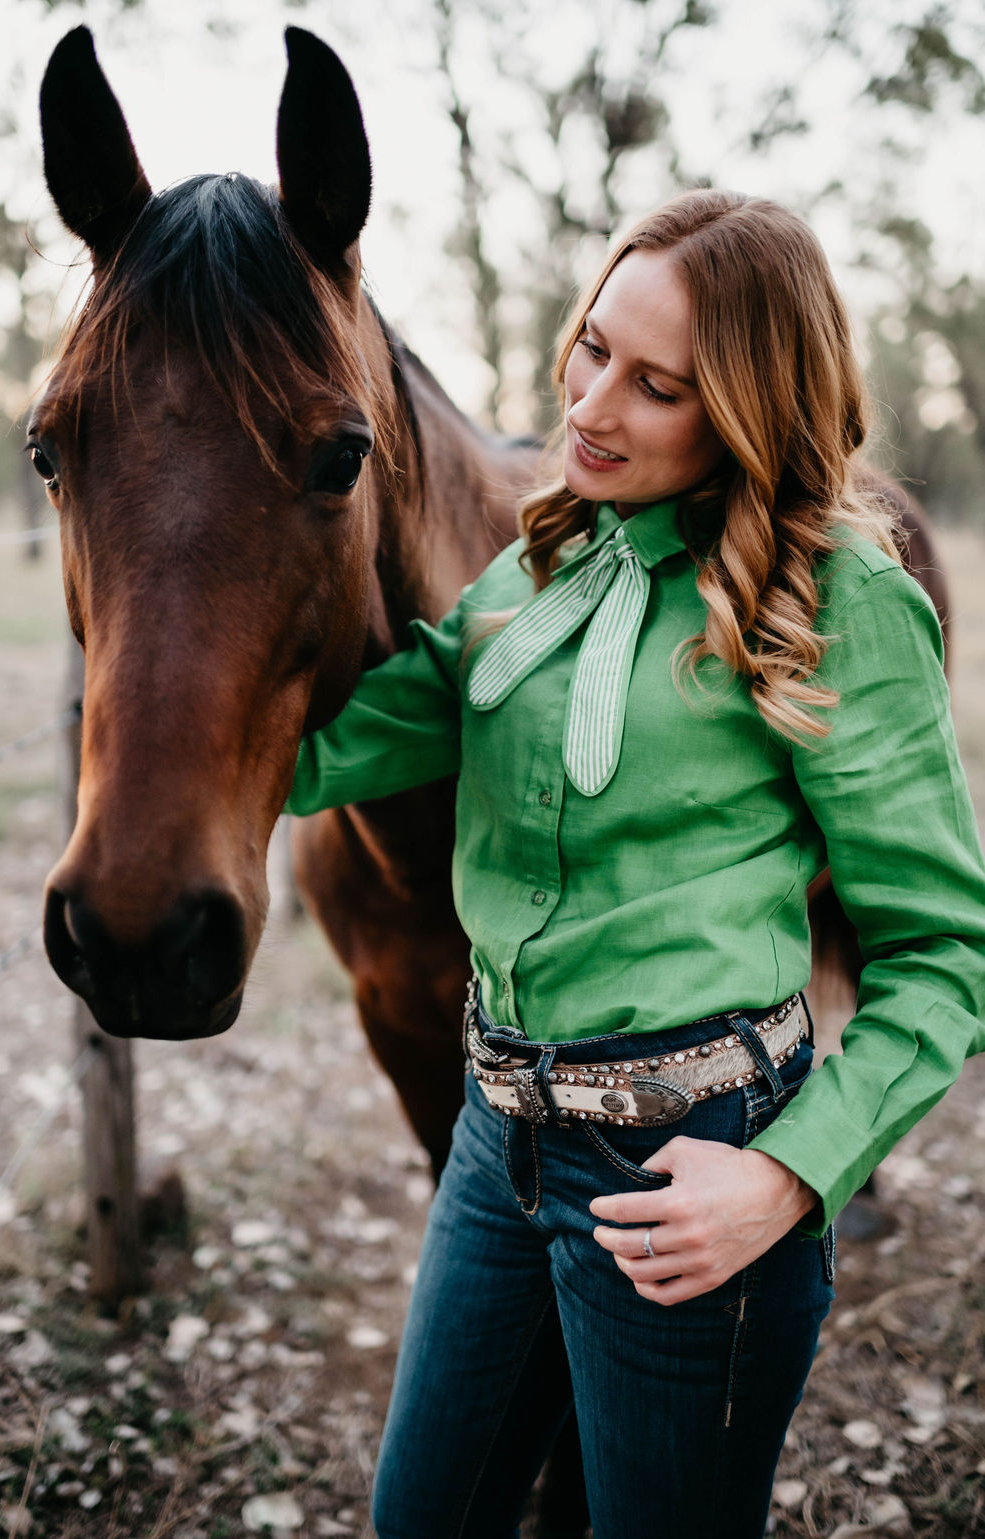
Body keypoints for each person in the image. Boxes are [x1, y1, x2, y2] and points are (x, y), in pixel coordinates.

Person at [286, 189, 985, 1539]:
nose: (591, 406)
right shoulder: (542, 554)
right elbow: (353, 735)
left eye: (656, 386)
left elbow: (944, 956)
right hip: (498, 1147)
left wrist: (789, 1175)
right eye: (591, 347)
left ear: (744, 409)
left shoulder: (841, 599)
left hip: (692, 1175)